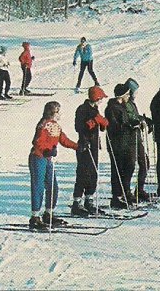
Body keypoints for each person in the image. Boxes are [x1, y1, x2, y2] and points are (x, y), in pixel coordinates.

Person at [28, 101, 78, 230]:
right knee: (38, 186)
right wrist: (47, 149)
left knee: (53, 186)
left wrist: (78, 146)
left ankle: (49, 213)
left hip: (48, 159)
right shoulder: (44, 124)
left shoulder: (56, 126)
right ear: (52, 112)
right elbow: (37, 141)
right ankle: (35, 216)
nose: (60, 114)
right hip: (38, 157)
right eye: (58, 111)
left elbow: (64, 140)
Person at [71, 86, 109, 216]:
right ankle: (77, 203)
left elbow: (102, 124)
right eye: (100, 98)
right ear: (96, 98)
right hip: (84, 144)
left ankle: (89, 199)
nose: (101, 101)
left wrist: (102, 123)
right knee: (83, 173)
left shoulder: (94, 109)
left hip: (93, 145)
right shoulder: (82, 109)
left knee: (93, 173)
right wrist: (93, 122)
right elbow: (79, 127)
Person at [105, 84, 139, 209]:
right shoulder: (112, 108)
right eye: (127, 94)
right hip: (117, 143)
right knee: (118, 170)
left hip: (126, 142)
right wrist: (128, 126)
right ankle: (117, 197)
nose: (129, 96)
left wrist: (134, 123)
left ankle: (125, 192)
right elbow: (114, 126)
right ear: (122, 95)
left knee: (129, 167)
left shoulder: (122, 106)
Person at [124, 78, 152, 202]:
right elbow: (129, 117)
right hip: (130, 138)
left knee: (145, 163)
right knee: (130, 165)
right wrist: (138, 121)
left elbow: (135, 115)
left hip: (137, 137)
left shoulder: (132, 103)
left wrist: (144, 119)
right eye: (135, 91)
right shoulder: (125, 103)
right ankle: (126, 191)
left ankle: (139, 189)